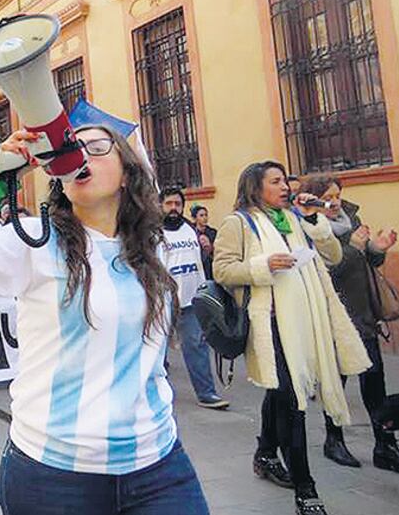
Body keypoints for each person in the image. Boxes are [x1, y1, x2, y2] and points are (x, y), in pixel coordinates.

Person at [0, 107, 209, 515]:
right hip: (54, 474)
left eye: (97, 148)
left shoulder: (153, 246)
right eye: (73, 150)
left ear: (128, 172)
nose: (81, 156)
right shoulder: (35, 242)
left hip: (157, 464)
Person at [213, 162, 371, 515]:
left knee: (281, 392)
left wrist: (316, 220)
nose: (285, 186)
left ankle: (266, 453)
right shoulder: (238, 223)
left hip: (306, 324)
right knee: (292, 400)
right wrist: (263, 266)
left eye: (285, 180)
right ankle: (306, 488)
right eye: (276, 181)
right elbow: (222, 270)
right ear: (256, 187)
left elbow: (332, 256)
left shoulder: (296, 219)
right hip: (270, 327)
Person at [301, 175, 399, 476]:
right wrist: (352, 247)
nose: (335, 200)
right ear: (313, 198)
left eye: (338, 194)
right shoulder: (310, 227)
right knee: (336, 382)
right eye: (328, 195)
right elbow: (327, 269)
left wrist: (377, 248)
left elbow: (367, 262)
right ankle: (333, 439)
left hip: (363, 313)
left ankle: (385, 444)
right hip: (335, 315)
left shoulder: (351, 218)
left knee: (375, 380)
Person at [159, 188, 229, 410]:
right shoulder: (154, 232)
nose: (173, 208)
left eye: (177, 204)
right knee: (155, 348)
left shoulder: (190, 229)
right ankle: (154, 394)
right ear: (160, 205)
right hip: (162, 302)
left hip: (191, 300)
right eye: (168, 203)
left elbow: (201, 260)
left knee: (196, 345)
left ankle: (206, 393)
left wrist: (207, 249)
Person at [190, 205, 217, 280]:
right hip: (197, 267)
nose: (205, 218)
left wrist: (210, 247)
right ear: (195, 218)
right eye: (201, 215)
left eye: (206, 215)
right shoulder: (191, 233)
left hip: (211, 267)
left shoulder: (213, 232)